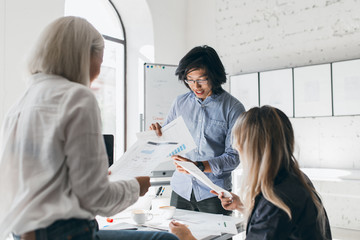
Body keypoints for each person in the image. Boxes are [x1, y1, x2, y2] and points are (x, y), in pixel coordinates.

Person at [0, 16, 178, 240]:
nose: (97, 73)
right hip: (66, 232)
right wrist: (137, 186)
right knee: (167, 239)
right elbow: (96, 199)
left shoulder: (21, 103)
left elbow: (42, 178)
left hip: (23, 232)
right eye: (100, 62)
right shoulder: (77, 97)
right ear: (81, 56)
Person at [169, 106, 332, 240]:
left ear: (251, 148)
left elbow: (272, 220)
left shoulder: (275, 200)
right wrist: (243, 206)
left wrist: (188, 238)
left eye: (237, 141)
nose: (235, 147)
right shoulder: (296, 180)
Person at [150, 45, 245, 215]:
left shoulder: (233, 108)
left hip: (214, 193)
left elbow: (234, 157)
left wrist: (200, 166)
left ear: (215, 76)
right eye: (190, 80)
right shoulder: (179, 103)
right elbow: (169, 140)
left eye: (202, 79)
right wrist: (157, 133)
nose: (196, 86)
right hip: (181, 189)